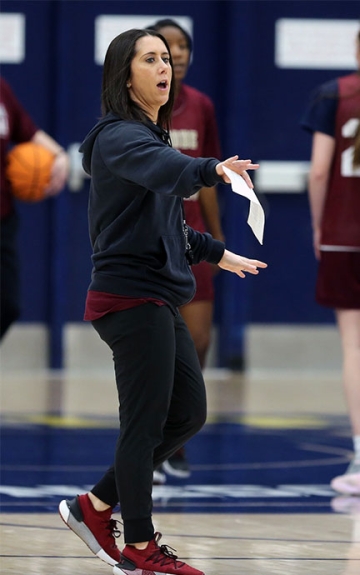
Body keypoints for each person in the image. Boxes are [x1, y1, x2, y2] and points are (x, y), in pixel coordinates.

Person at [58, 29, 267, 575]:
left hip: (156, 295)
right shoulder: (118, 138)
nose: (164, 67)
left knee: (189, 413)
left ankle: (94, 506)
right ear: (124, 75)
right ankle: (140, 548)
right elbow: (172, 173)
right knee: (144, 426)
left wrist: (216, 252)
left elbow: (164, 223)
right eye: (150, 59)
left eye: (167, 60)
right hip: (129, 297)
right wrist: (210, 169)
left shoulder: (150, 136)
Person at [147, 18, 224, 481]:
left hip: (193, 239)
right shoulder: (138, 109)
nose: (176, 53)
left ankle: (176, 440)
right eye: (165, 47)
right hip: (152, 241)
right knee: (156, 347)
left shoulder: (202, 106)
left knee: (198, 341)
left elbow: (210, 176)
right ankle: (151, 440)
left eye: (182, 46)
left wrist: (219, 239)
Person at [301, 29, 360, 496]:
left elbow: (319, 170)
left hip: (345, 235)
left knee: (354, 347)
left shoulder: (334, 94)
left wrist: (321, 227)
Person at [0, 76, 69, 340]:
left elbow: (27, 130)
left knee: (8, 305)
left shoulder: (2, 89)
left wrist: (60, 156)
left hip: (3, 218)